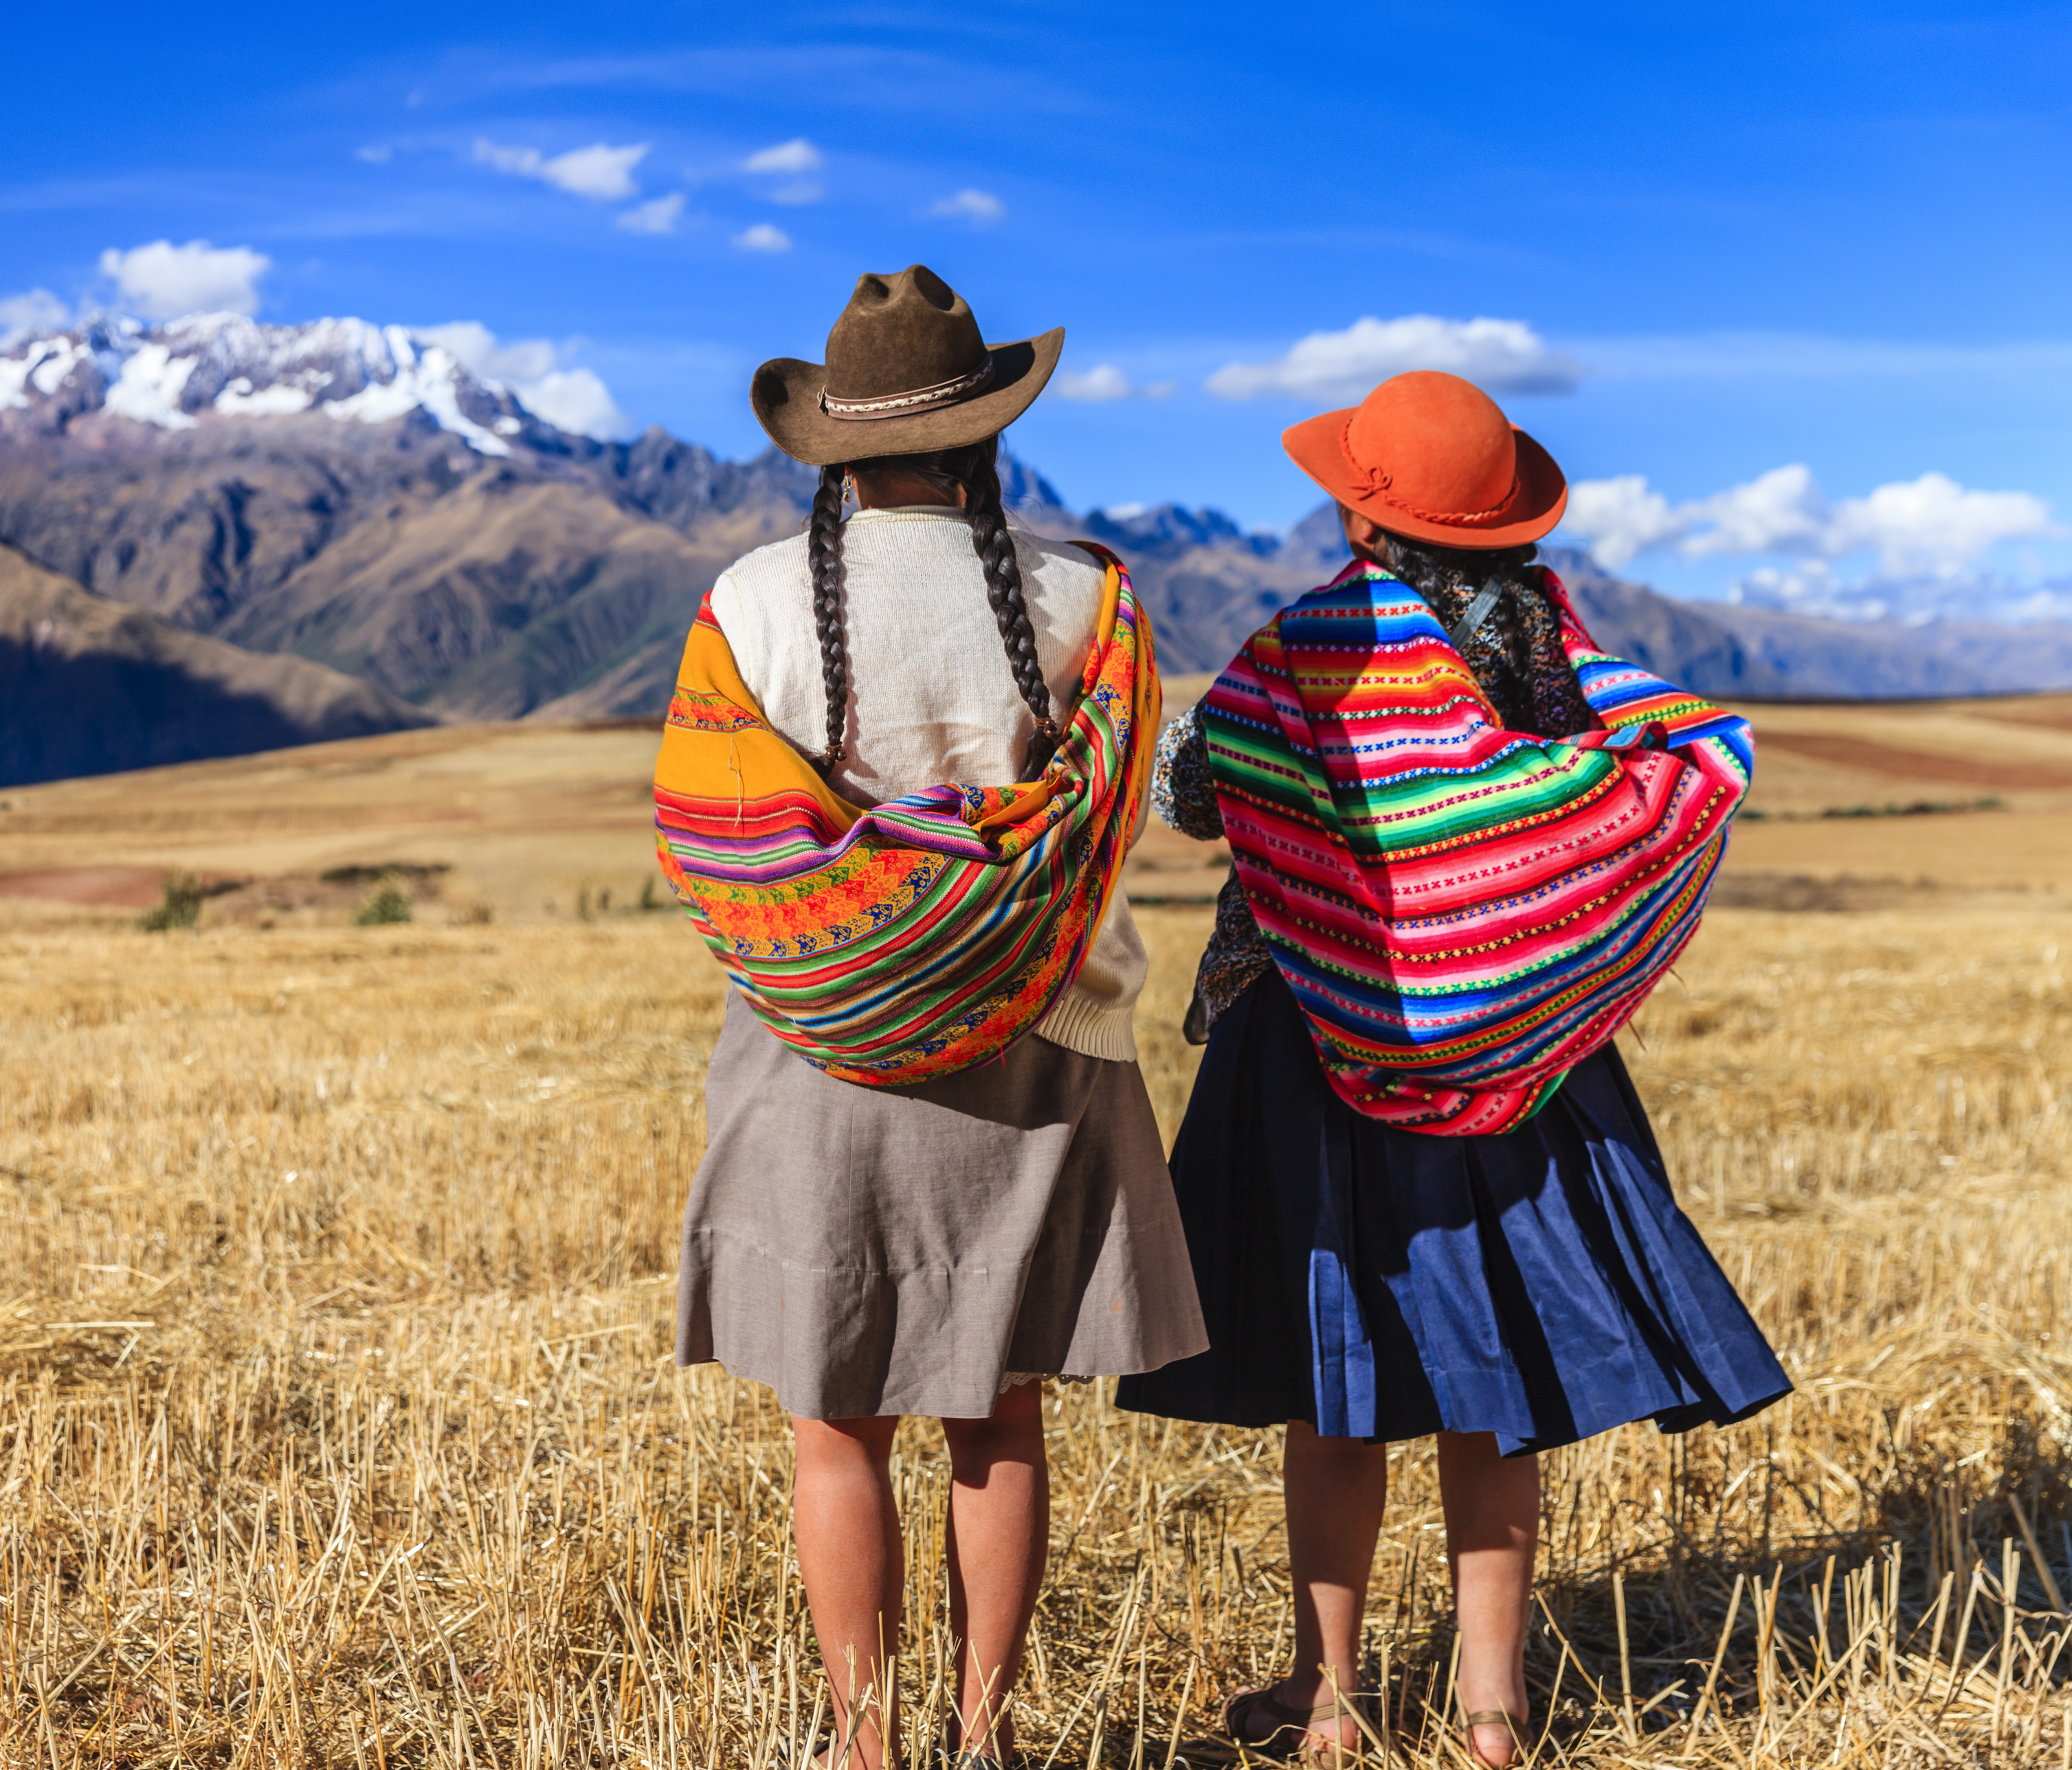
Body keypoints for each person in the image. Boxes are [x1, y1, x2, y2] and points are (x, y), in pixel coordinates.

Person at [1115, 371, 1792, 1767]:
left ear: (1360, 507)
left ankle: (1333, 1699)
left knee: (1336, 1387)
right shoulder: (1560, 655)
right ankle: (1494, 1709)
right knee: (1497, 1391)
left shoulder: (1303, 646)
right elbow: (1643, 783)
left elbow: (1195, 789)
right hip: (1528, 1073)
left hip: (1309, 1048)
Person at [654, 265, 1204, 1770]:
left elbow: (707, 835)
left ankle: (863, 1745)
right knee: (999, 1415)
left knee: (836, 1420)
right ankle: (989, 1734)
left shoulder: (749, 604)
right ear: (986, 438)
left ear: (832, 445)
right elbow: (1126, 818)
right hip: (1037, 1054)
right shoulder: (1088, 602)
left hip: (814, 1053)